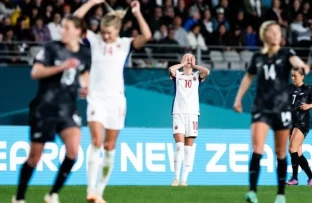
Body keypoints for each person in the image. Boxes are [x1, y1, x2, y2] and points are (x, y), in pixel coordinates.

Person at [73, 0, 152, 202]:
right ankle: (90, 191)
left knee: (109, 147)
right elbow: (74, 21)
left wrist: (137, 13)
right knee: (96, 142)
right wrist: (91, 2)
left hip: (116, 101)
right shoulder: (94, 41)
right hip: (96, 99)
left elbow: (147, 36)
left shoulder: (125, 44)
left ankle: (99, 192)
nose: (105, 36)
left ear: (117, 30)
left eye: (109, 32)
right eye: (103, 32)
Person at [12, 15, 91, 203]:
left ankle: (53, 194)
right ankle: (20, 197)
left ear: (78, 32)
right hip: (45, 107)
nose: (62, 31)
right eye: (62, 27)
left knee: (73, 151)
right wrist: (61, 66)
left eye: (67, 28)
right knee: (34, 158)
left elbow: (84, 74)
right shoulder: (52, 48)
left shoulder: (85, 53)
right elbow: (35, 72)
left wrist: (85, 87)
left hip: (68, 108)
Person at [233, 20, 310, 203]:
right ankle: (252, 192)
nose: (276, 34)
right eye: (272, 31)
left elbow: (296, 62)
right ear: (264, 35)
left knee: (280, 153)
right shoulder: (258, 57)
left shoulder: (286, 53)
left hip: (282, 109)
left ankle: (281, 195)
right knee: (257, 149)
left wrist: (302, 66)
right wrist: (238, 99)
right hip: (261, 108)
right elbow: (248, 77)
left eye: (278, 31)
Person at [169, 53, 210, 187]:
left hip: (192, 114)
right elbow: (171, 70)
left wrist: (194, 65)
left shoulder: (196, 76)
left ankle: (184, 180)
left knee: (188, 147)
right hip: (178, 112)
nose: (188, 59)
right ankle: (175, 178)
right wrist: (182, 64)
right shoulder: (178, 75)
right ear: (181, 60)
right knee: (179, 146)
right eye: (186, 57)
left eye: (191, 58)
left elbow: (207, 71)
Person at [286, 67, 312, 186]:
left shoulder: (309, 89)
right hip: (291, 123)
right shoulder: (289, 88)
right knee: (297, 153)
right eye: (291, 76)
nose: (293, 78)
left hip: (302, 124)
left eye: (295, 76)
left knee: (291, 149)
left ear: (302, 76)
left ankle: (294, 178)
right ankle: (311, 177)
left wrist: (309, 106)